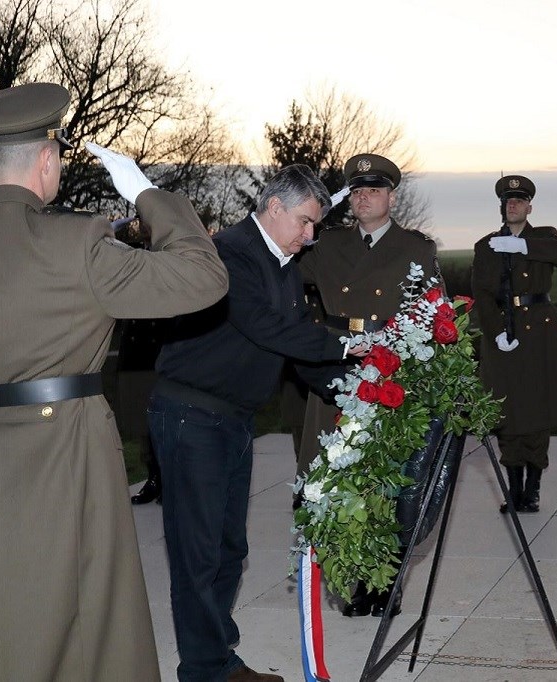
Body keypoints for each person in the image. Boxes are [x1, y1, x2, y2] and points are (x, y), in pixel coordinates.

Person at [0, 82, 229, 681]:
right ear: (47, 160)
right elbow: (202, 277)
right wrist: (150, 195)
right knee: (73, 630)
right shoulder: (78, 244)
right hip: (66, 457)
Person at [148, 164, 361, 681]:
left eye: (316, 227)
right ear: (274, 208)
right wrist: (357, 345)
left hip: (231, 419)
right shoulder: (232, 254)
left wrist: (356, 389)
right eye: (307, 223)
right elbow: (268, 329)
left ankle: (218, 650)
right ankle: (206, 668)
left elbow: (299, 351)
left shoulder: (283, 263)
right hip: (191, 415)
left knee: (228, 547)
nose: (310, 238)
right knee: (197, 551)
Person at [296, 152, 439, 619]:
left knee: (384, 478)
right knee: (336, 476)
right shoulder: (325, 245)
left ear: (391, 198)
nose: (363, 198)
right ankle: (349, 580)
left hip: (388, 368)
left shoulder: (415, 247)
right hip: (336, 365)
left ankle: (386, 582)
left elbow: (432, 315)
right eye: (356, 191)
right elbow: (276, 261)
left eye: (374, 190)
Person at [472, 175, 557, 516]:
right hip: (503, 332)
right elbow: (483, 296)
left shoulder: (544, 236)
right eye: (507, 201)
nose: (512, 205)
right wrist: (495, 331)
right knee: (506, 412)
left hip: (538, 333)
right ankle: (513, 489)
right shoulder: (486, 245)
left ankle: (532, 489)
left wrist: (524, 247)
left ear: (529, 206)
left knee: (536, 411)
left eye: (518, 200)